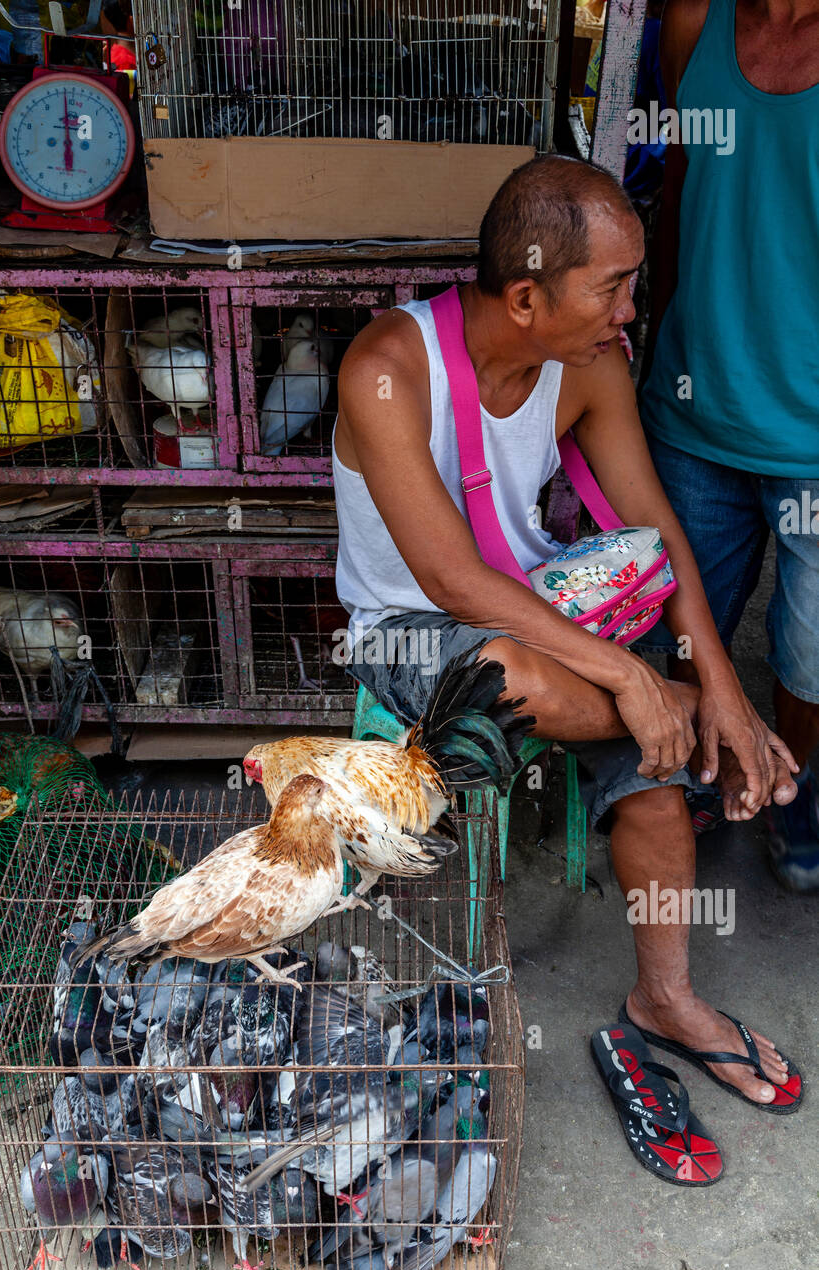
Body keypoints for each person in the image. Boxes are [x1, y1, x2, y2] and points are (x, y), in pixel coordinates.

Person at [333, 154, 800, 1108]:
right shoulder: (386, 369)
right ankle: (683, 721)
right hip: (409, 628)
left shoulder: (589, 367)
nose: (633, 307)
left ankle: (665, 997)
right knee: (519, 677)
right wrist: (645, 684)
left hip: (544, 611)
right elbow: (451, 581)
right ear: (525, 297)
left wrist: (719, 681)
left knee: (657, 783)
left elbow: (656, 531)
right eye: (614, 286)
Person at [640, 0, 819, 889]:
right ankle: (706, 774)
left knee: (812, 654)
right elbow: (679, 181)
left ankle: (798, 785)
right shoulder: (692, 21)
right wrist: (652, 324)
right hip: (694, 398)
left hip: (813, 430)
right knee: (683, 620)